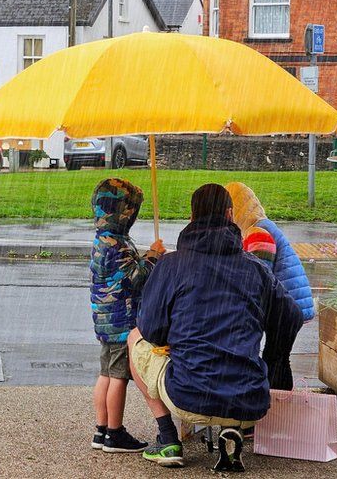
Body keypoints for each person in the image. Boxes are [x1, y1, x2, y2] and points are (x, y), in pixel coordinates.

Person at [129, 184, 303, 471]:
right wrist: (271, 362)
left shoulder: (172, 265)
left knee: (133, 337)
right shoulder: (255, 268)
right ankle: (230, 428)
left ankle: (168, 438)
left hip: (187, 395)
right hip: (249, 401)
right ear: (230, 215)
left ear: (191, 217)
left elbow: (150, 329)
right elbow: (290, 317)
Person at [88, 178, 164, 454]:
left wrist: (144, 257)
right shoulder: (117, 244)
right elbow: (134, 280)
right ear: (124, 212)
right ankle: (114, 433)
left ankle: (101, 429)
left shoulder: (102, 240)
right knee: (119, 376)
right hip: (122, 322)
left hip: (104, 320)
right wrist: (153, 257)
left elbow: (120, 273)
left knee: (106, 374)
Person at [225, 182, 314, 391]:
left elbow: (256, 276)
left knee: (276, 360)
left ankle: (278, 407)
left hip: (286, 308)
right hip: (289, 304)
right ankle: (280, 406)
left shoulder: (258, 233)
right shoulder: (261, 226)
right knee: (278, 358)